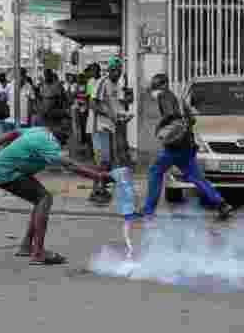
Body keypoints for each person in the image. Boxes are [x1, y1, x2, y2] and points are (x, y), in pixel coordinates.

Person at [0, 125, 113, 265]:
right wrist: (98, 176)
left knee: (39, 200)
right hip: (5, 173)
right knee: (45, 198)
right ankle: (38, 253)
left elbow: (12, 133)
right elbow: (70, 166)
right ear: (61, 142)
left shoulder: (39, 130)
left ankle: (26, 246)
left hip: (2, 169)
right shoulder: (50, 144)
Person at [141, 73, 235, 221]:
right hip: (187, 145)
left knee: (155, 171)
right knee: (196, 177)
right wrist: (183, 130)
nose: (154, 90)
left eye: (156, 86)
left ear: (164, 84)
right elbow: (192, 119)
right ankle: (221, 204)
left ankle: (148, 210)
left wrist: (161, 127)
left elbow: (170, 115)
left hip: (174, 146)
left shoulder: (164, 96)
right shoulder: (179, 98)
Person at [89, 58, 131, 204]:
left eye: (119, 70)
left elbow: (117, 106)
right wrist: (110, 115)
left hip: (111, 126)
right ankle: (97, 191)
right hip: (99, 126)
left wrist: (123, 114)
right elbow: (93, 103)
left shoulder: (117, 85)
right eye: (114, 69)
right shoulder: (102, 82)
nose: (117, 72)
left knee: (108, 160)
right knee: (102, 159)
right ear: (109, 70)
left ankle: (101, 188)